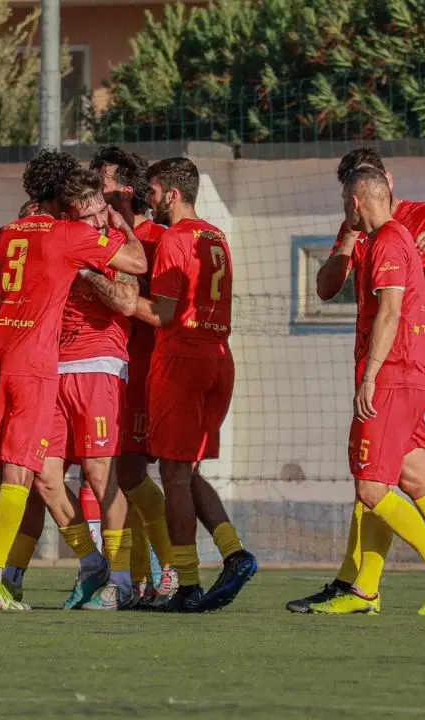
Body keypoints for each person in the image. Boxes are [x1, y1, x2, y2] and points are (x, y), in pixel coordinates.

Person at [287, 148, 425, 615]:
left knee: (373, 479)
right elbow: (326, 288)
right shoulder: (360, 229)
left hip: (406, 363)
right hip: (388, 361)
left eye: (354, 190)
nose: (349, 203)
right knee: (406, 474)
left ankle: (386, 580)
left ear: (381, 181)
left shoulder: (414, 222)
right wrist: (345, 245)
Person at [0, 151, 147, 611]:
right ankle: (86, 562)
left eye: (99, 205)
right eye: (86, 204)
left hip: (94, 362)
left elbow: (126, 297)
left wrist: (105, 243)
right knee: (37, 475)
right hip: (42, 363)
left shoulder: (15, 232)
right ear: (67, 203)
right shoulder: (67, 233)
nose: (93, 211)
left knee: (98, 473)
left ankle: (120, 577)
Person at [322, 166, 425, 616]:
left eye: (346, 202)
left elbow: (389, 314)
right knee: (406, 478)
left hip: (393, 376)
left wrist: (370, 378)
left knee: (370, 488)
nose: (345, 211)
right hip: (400, 375)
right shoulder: (390, 237)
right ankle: (365, 589)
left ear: (357, 201)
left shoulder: (387, 240)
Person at [132, 157, 258, 612]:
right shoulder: (215, 235)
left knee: (173, 475)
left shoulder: (173, 239)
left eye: (152, 191)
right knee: (187, 471)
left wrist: (124, 299)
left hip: (181, 362)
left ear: (170, 193)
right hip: (217, 361)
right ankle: (234, 554)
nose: (150, 200)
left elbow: (162, 313)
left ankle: (187, 584)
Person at [92, 145, 179, 608]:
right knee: (116, 475)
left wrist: (123, 300)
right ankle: (137, 579)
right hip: (107, 371)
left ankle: (173, 570)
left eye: (102, 184)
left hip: (144, 370)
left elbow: (168, 315)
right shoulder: (100, 238)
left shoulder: (157, 240)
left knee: (130, 471)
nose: (95, 192)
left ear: (127, 190)